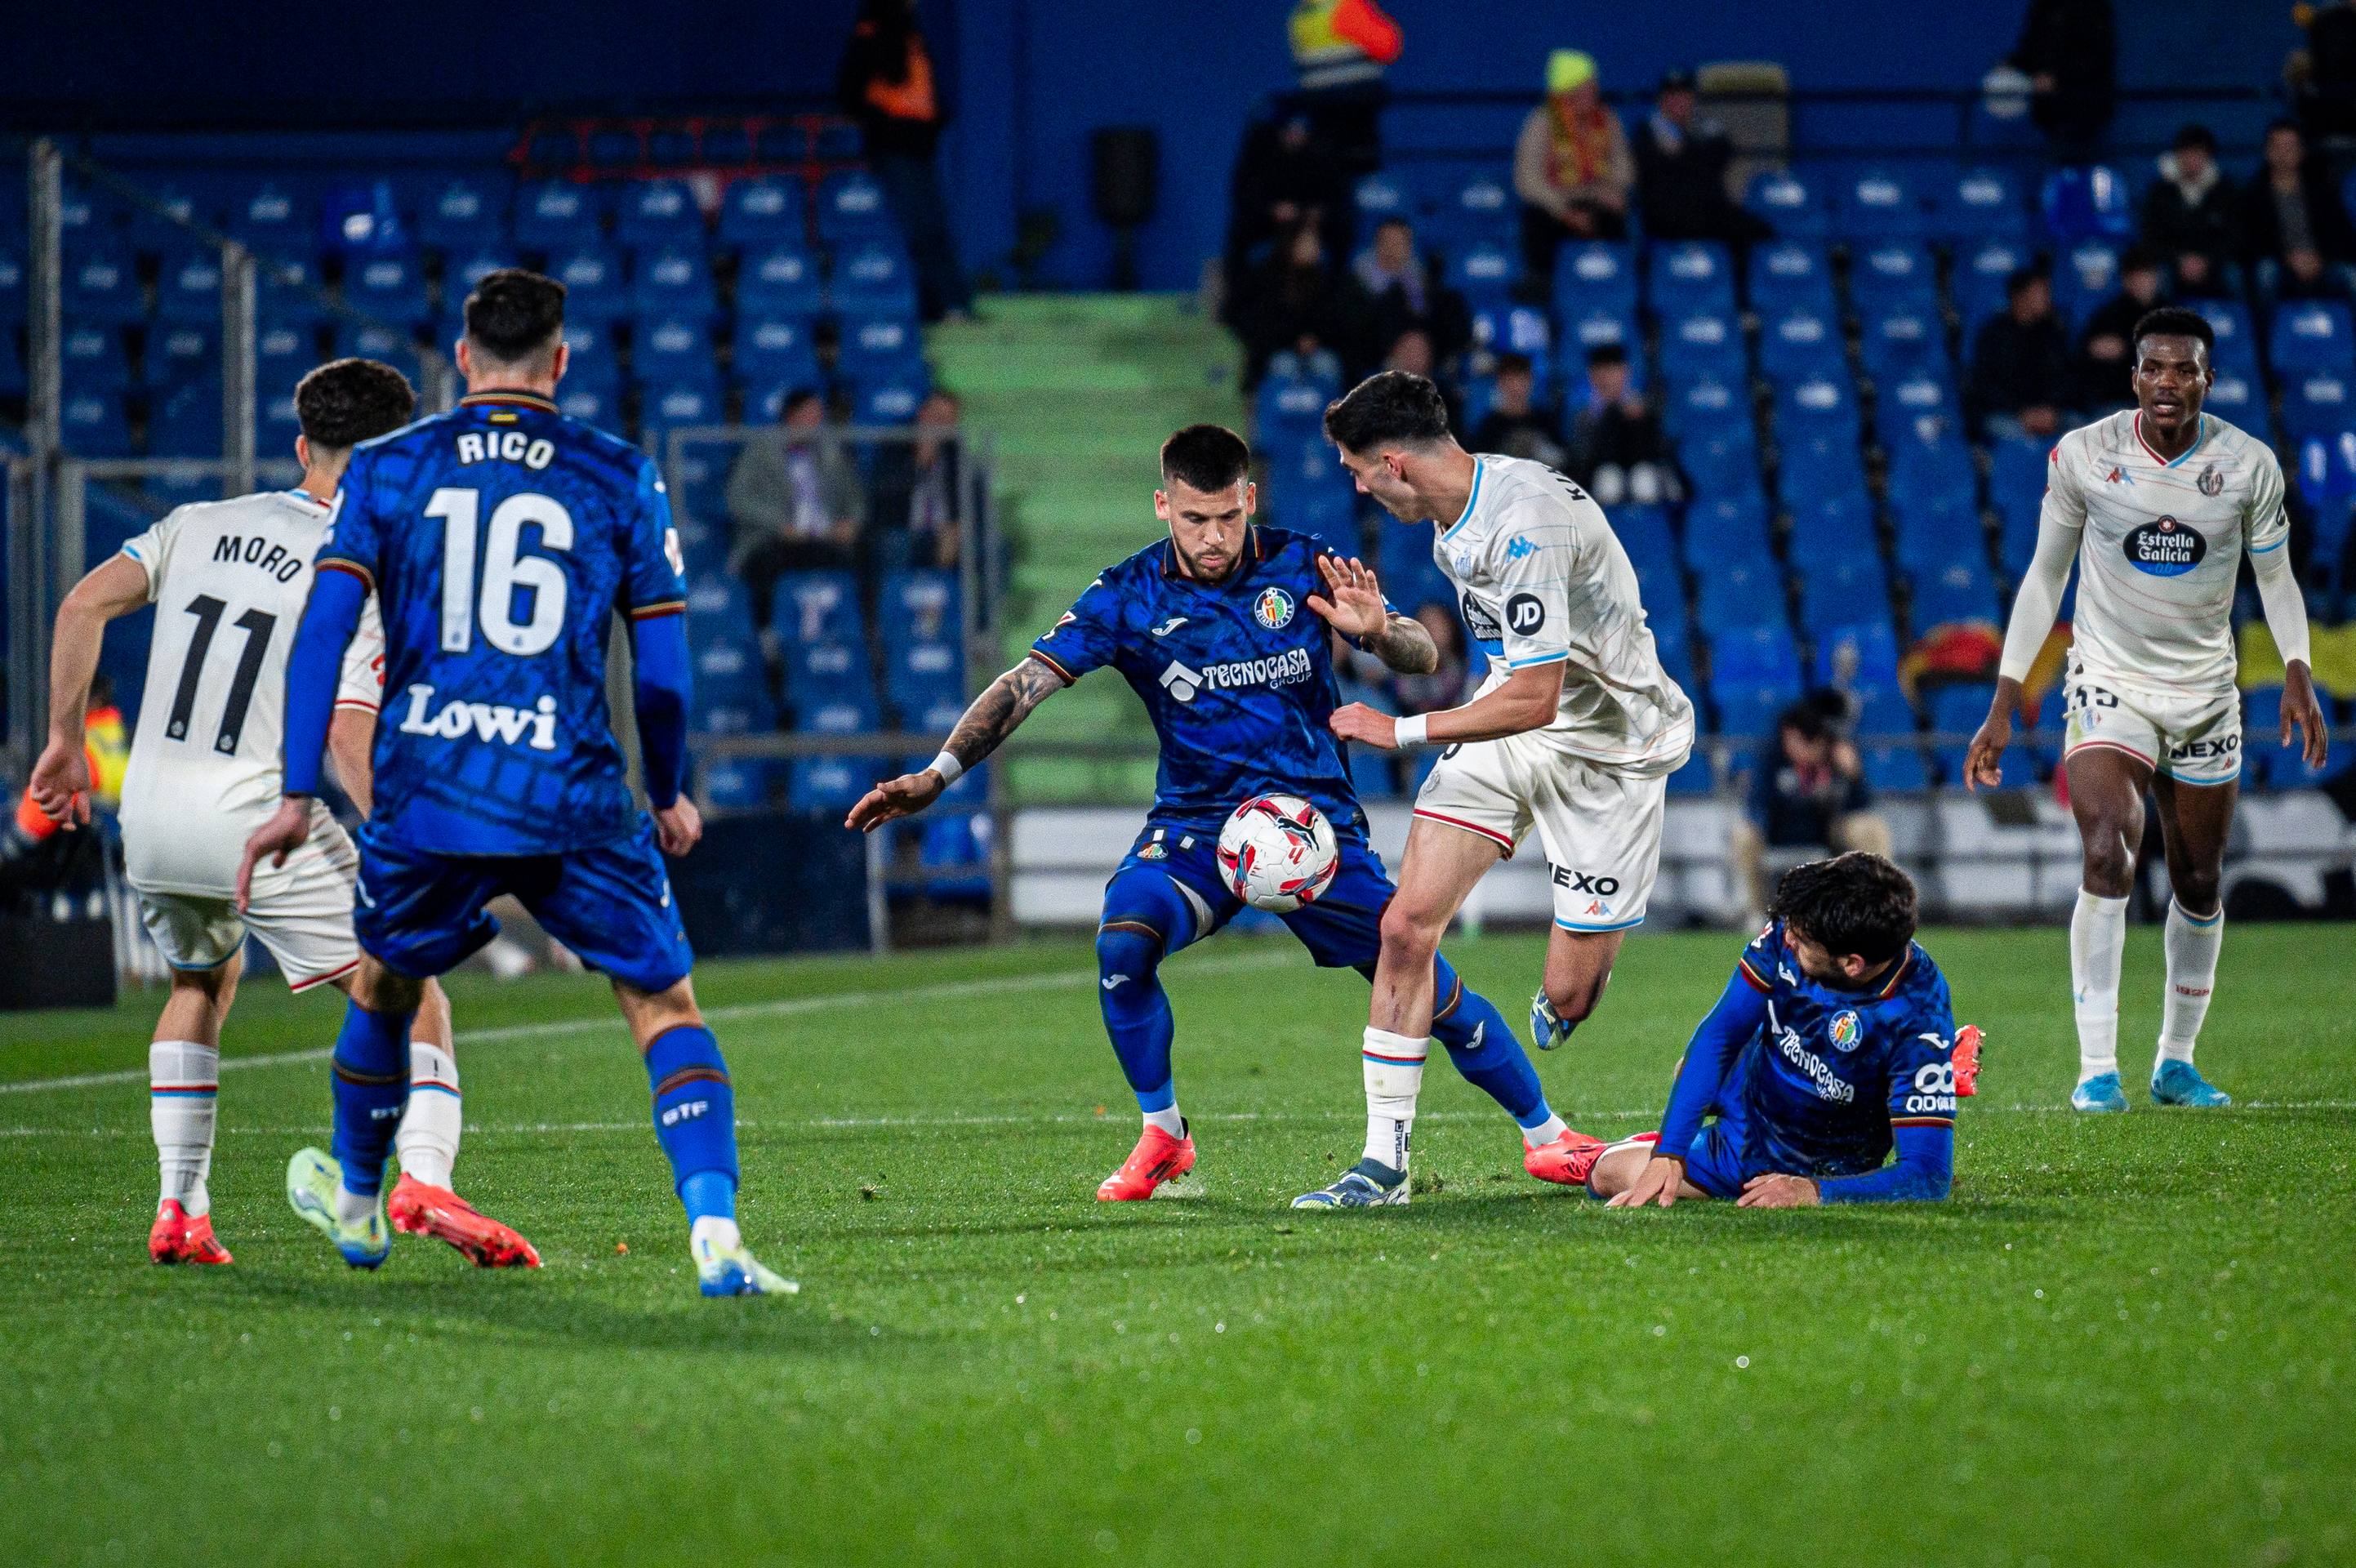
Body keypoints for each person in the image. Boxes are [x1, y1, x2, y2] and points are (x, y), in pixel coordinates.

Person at [845, 425, 1603, 1204]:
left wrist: (1381, 632)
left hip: (1313, 830)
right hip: (1199, 825)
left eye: (1226, 518)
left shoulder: (1302, 561)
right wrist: (940, 773)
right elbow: (1024, 682)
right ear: (1162, 506)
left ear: (1249, 499)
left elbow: (1423, 654)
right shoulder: (1127, 594)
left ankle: (1546, 1136)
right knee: (1122, 947)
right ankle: (1164, 1134)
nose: (1211, 539)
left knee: (1419, 979)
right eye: (1191, 520)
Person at [235, 270, 795, 1295]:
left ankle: (359, 1200)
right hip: (569, 789)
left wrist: (288, 790)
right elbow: (662, 669)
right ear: (560, 359)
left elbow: (322, 632)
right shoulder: (616, 473)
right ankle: (714, 1232)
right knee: (663, 1004)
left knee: (386, 981)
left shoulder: (392, 470)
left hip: (430, 785)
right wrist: (665, 789)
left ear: (462, 358)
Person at [28, 359, 537, 1270]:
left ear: (303, 448)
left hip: (148, 816)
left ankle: (181, 1211)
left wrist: (63, 741)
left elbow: (80, 604)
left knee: (199, 986)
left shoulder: (198, 523)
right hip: (256, 819)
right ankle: (424, 1179)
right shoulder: (365, 565)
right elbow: (347, 733)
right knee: (411, 989)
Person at [1317, 370, 1696, 1207]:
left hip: (1607, 753)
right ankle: (1384, 1163)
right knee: (1405, 926)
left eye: (1355, 470)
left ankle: (1577, 1002)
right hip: (1507, 728)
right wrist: (1383, 633)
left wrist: (1402, 731)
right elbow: (1501, 675)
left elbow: (1538, 694)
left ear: (1392, 464)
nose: (1355, 487)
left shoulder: (1522, 524)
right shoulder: (1458, 515)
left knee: (1569, 1000)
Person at [1966, 307, 2328, 1114]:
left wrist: (2295, 669)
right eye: (2153, 369)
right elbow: (2041, 578)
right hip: (2108, 682)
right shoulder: (2084, 457)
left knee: (2197, 880)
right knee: (2106, 850)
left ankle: (2174, 1061)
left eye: (2184, 370)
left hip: (2204, 693)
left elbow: (2275, 579)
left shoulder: (2247, 466)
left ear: (2206, 379)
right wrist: (2005, 695)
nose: (2167, 383)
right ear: (2133, 378)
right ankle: (2095, 1068)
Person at [1586, 853, 1969, 1208]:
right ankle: (1664, 1141)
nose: (1787, 938)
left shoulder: (1918, 1017)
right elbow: (1722, 1033)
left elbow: (1928, 1177)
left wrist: (1816, 1191)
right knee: (1688, 1072)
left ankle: (1925, 1083)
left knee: (1607, 1172)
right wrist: (1668, 1152)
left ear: (1853, 964)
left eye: (1801, 942)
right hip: (1755, 1091)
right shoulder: (1796, 927)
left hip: (1815, 1155)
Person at [835, 0, 971, 322]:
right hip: (893, 149)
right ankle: (927, 306)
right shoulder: (870, 34)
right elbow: (850, 92)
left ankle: (953, 304)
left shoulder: (914, 36)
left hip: (920, 148)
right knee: (917, 228)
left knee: (934, 227)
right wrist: (886, 124)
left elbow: (925, 93)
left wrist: (933, 123)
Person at [1730, 702, 1894, 922]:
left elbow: (1862, 805)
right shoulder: (1772, 759)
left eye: (1799, 740)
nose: (1792, 746)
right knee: (1744, 835)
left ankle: (1879, 911)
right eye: (1788, 738)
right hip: (1781, 830)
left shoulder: (1837, 758)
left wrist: (1854, 774)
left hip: (1830, 831)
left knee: (1870, 827)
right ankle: (1756, 913)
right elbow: (1757, 804)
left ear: (1818, 740)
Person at [727, 388, 866, 628]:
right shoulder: (760, 451)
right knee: (766, 564)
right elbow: (738, 499)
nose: (817, 423)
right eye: (811, 416)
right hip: (775, 539)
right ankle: (767, 634)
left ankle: (855, 633)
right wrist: (780, 525)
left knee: (863, 555)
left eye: (819, 417)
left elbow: (856, 499)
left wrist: (851, 522)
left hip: (825, 538)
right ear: (791, 416)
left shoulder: (831, 453)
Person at [1514, 49, 1633, 288]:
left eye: (1592, 86)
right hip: (1555, 207)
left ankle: (1615, 294)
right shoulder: (1542, 122)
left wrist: (1611, 189)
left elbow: (1625, 168)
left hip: (1596, 200)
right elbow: (1527, 181)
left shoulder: (1607, 119)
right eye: (1584, 87)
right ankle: (1547, 299)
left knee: (1617, 217)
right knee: (1537, 223)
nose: (1591, 92)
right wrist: (1564, 212)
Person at [1631, 69, 1769, 245]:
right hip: (1667, 214)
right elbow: (1652, 168)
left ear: (1693, 98)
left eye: (1683, 95)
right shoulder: (1646, 130)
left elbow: (1717, 157)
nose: (1678, 101)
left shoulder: (1709, 128)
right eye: (1672, 95)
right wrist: (1691, 154)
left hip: (1710, 209)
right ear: (1662, 99)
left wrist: (1679, 153)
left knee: (1758, 232)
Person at [2241, 118, 2356, 301]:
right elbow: (2252, 242)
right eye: (2278, 147)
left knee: (2352, 276)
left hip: (2322, 262)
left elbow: (2342, 234)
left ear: (2301, 152)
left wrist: (2320, 258)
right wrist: (2288, 258)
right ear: (2267, 151)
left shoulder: (2322, 191)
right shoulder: (2254, 194)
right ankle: (2266, 330)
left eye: (2290, 147)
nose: (2283, 154)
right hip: (2280, 264)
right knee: (2265, 274)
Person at [1350, 217, 1470, 374]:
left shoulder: (1419, 279)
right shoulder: (1358, 281)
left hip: (1427, 351)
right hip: (1376, 352)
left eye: (1400, 241)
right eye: (1388, 241)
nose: (1394, 247)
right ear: (1377, 244)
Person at [1967, 269, 2073, 441]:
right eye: (2040, 294)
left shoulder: (2054, 332)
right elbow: (1985, 385)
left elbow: (2065, 378)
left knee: (2083, 429)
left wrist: (2051, 409)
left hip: (2050, 414)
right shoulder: (1993, 335)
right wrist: (2022, 413)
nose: (2047, 299)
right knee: (2006, 431)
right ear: (2019, 297)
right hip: (2008, 414)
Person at [866, 388, 964, 568]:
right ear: (923, 415)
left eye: (950, 420)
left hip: (944, 528)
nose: (945, 426)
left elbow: (968, 497)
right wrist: (918, 464)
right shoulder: (895, 444)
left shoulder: (956, 453)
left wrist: (958, 524)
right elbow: (884, 493)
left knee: (994, 547)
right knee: (896, 543)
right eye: (939, 418)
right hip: (905, 526)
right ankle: (894, 595)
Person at [2139, 125, 2240, 299]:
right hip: (2172, 264)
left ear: (2209, 157)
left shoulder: (2225, 190)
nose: (2192, 159)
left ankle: (2242, 324)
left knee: (2234, 273)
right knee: (2158, 275)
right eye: (2186, 153)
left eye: (2198, 153)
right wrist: (2180, 259)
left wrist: (2207, 260)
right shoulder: (2160, 191)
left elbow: (2236, 236)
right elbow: (2150, 238)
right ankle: (2163, 323)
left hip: (2215, 264)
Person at [1565, 342, 1673, 504]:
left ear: (1625, 372)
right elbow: (1581, 458)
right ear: (1591, 375)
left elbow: (1659, 450)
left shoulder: (1642, 408)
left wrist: (1640, 420)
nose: (1606, 378)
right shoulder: (1584, 415)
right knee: (1609, 480)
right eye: (1601, 371)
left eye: (1612, 370)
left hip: (1642, 474)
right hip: (1598, 478)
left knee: (1644, 479)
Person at [2005, 0, 2116, 153]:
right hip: (2048, 112)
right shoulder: (2042, 7)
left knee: (2079, 159)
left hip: (2084, 107)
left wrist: (2058, 78)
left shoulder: (2092, 7)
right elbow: (2030, 51)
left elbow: (2096, 56)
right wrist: (2011, 65)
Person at [2074, 246, 2167, 412]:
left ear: (2156, 277)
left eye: (2147, 275)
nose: (2142, 283)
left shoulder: (2172, 315)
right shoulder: (2109, 315)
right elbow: (2086, 351)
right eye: (2136, 277)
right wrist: (2093, 349)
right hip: (2117, 400)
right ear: (2126, 280)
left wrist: (2126, 348)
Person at [1468, 352, 1567, 471]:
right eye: (1509, 380)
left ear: (1530, 381)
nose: (1515, 387)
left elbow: (1561, 459)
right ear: (1500, 383)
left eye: (1520, 379)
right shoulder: (1490, 426)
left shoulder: (1545, 421)